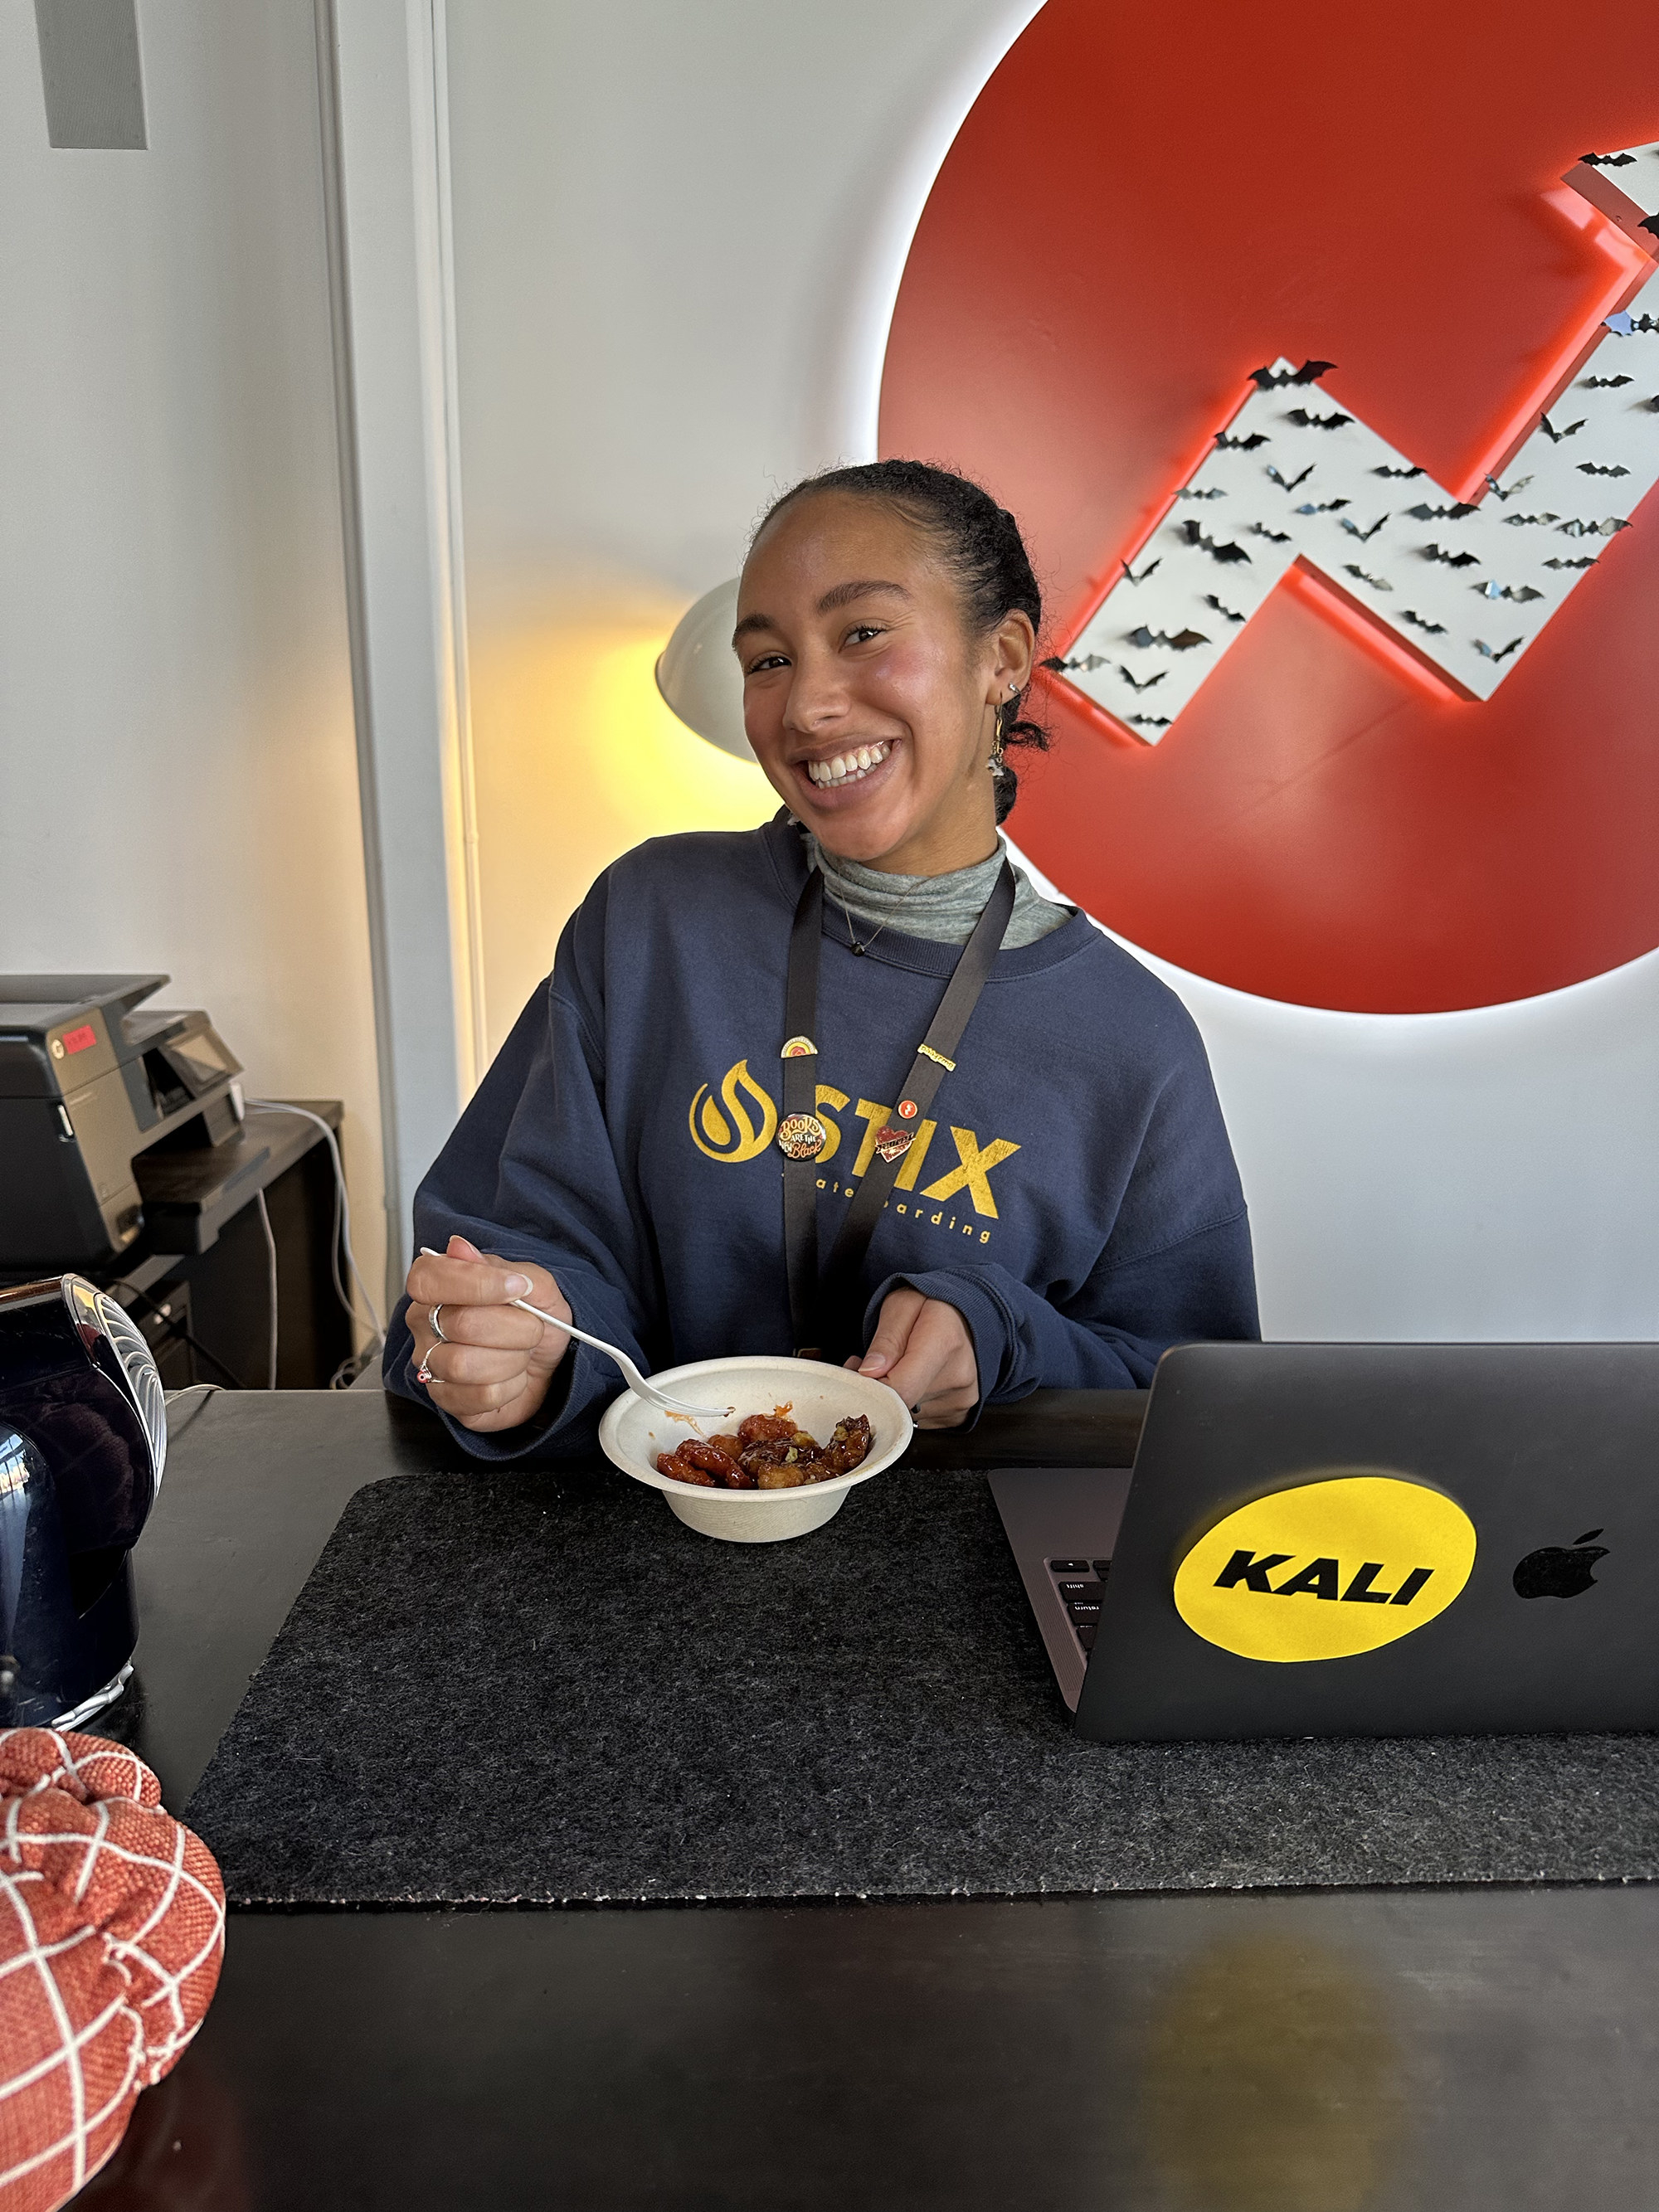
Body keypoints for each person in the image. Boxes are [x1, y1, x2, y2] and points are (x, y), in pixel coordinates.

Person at [384, 460, 1258, 1451]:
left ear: (1002, 657)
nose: (804, 708)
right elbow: (517, 1241)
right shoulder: (649, 923)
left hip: (966, 1576)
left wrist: (1005, 1338)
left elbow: (1190, 1400)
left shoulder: (1129, 1043)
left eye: (861, 635)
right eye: (767, 661)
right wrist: (519, 1344)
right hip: (639, 1555)